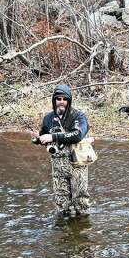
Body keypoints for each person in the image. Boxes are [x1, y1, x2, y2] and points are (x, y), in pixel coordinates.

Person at [31, 84, 91, 217]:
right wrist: (37, 139)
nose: (61, 102)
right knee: (61, 203)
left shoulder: (78, 116)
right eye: (58, 99)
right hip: (58, 166)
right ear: (54, 100)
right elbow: (43, 138)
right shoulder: (48, 118)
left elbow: (77, 135)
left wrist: (53, 136)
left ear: (69, 101)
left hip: (77, 164)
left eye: (65, 99)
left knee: (80, 202)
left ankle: (81, 231)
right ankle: (64, 233)